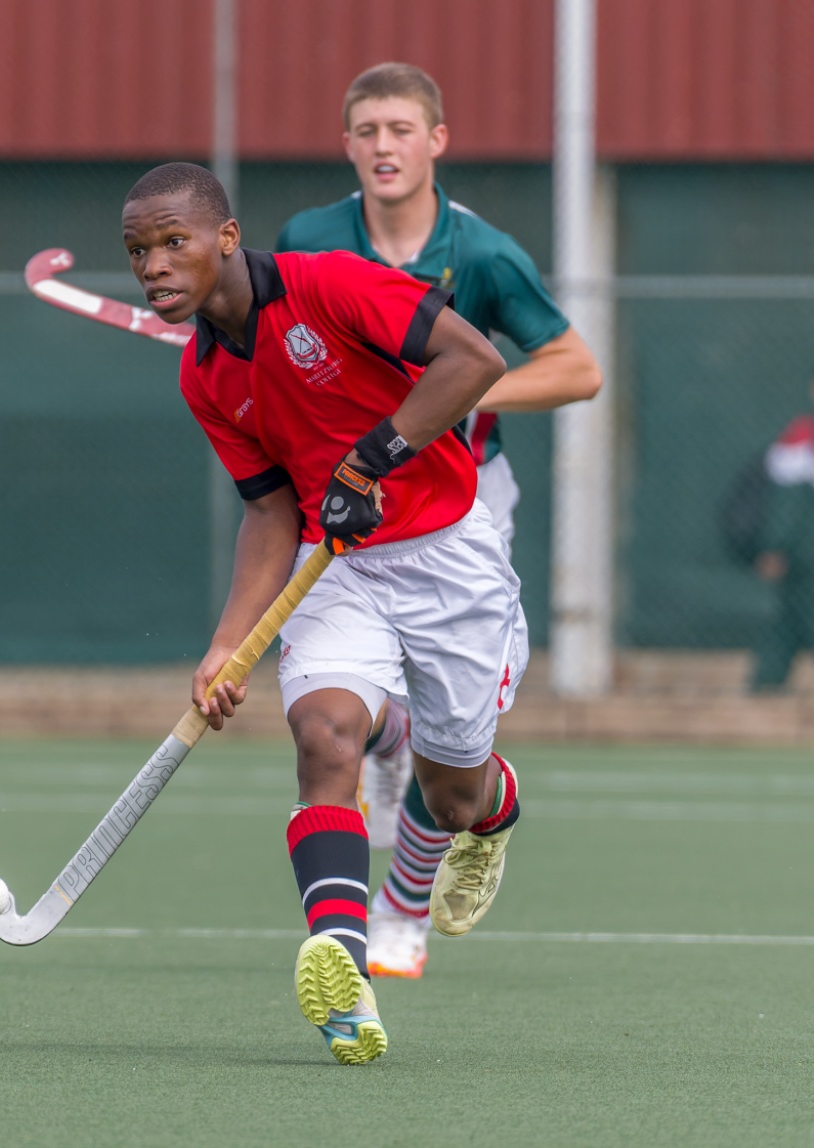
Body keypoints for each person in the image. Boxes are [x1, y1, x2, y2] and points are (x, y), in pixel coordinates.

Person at [121, 161, 527, 1064]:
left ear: (227, 238)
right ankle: (345, 974)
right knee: (324, 734)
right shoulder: (204, 376)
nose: (153, 266)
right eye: (138, 251)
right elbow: (271, 512)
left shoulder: (331, 284)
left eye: (174, 242)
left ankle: (493, 809)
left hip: (449, 557)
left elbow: (476, 361)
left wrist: (367, 461)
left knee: (450, 797)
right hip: (335, 566)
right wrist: (226, 646)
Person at [276, 62, 602, 977]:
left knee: (452, 751)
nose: (384, 146)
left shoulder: (483, 253)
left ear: (436, 142)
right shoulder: (309, 240)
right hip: (353, 500)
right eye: (368, 131)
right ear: (347, 144)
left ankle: (406, 906)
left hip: (463, 506)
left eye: (401, 130)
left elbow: (578, 369)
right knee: (337, 708)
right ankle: (384, 758)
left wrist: (450, 399)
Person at [751, 387, 814, 691]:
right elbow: (788, 503)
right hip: (805, 556)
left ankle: (766, 686)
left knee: (788, 622)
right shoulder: (802, 437)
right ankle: (765, 689)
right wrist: (777, 545)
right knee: (790, 621)